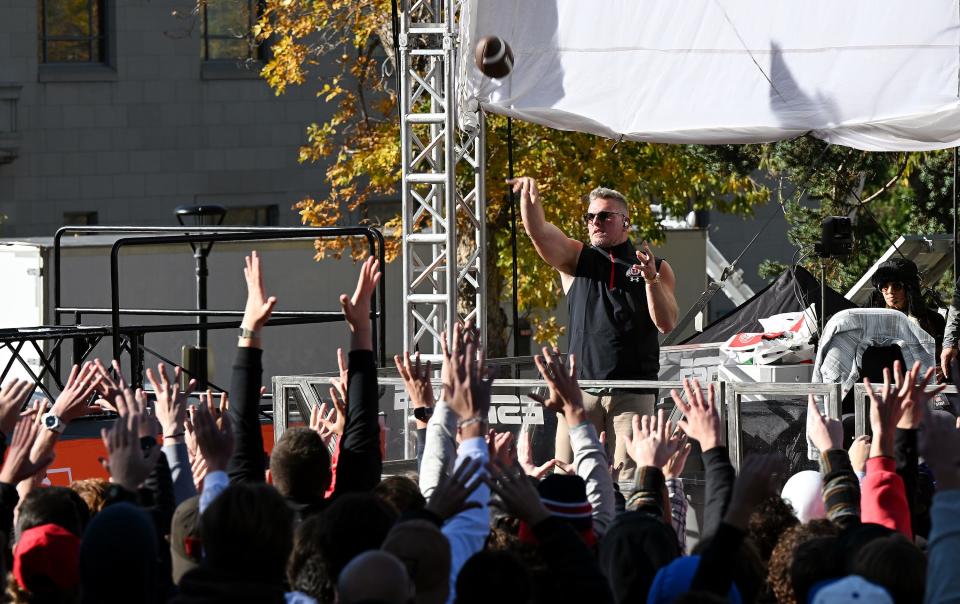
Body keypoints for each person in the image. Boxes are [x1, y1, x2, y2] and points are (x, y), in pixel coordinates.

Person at [511, 176, 678, 489]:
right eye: (590, 216)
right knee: (568, 480)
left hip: (632, 392)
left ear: (625, 222)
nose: (595, 222)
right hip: (580, 393)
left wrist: (651, 281)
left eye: (605, 216)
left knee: (630, 483)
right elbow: (540, 232)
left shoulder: (656, 266)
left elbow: (666, 322)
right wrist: (529, 201)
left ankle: (621, 537)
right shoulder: (577, 259)